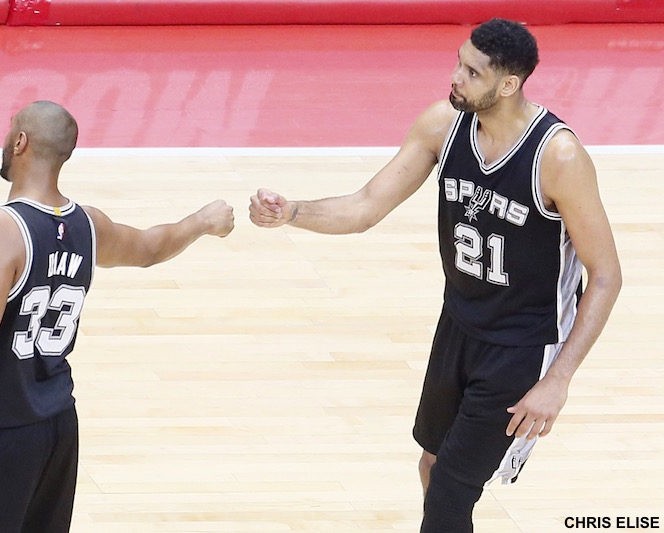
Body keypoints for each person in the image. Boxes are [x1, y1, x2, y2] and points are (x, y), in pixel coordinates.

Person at [249, 18, 621, 532]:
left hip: (524, 346)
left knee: (449, 496)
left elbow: (606, 276)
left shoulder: (556, 156)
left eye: (471, 71)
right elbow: (364, 207)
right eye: (458, 61)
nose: (455, 76)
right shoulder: (443, 125)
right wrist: (291, 212)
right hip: (459, 326)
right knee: (430, 465)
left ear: (508, 85)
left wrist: (558, 380)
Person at [0, 100, 235, 532]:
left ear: (20, 142)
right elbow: (151, 247)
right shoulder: (88, 226)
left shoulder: (0, 228)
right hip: (56, 429)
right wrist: (203, 221)